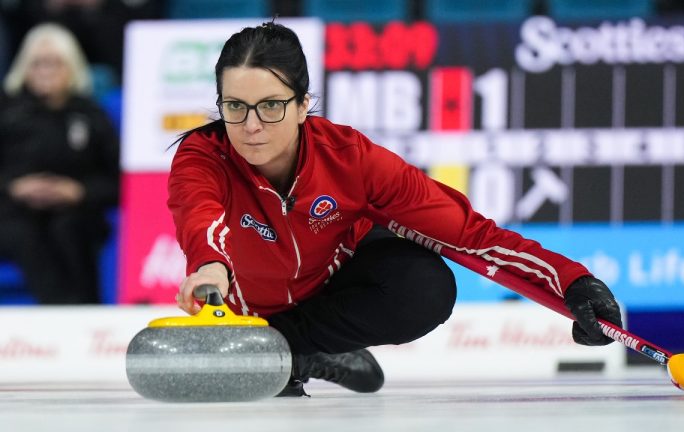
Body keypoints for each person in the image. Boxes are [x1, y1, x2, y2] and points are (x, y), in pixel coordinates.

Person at [169, 22, 623, 397]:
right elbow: (201, 220)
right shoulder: (202, 156)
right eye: (235, 106)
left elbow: (469, 235)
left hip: (318, 301)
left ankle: (296, 351)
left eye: (271, 106)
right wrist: (209, 268)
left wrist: (573, 282)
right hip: (240, 320)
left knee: (424, 286)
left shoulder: (352, 159)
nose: (250, 126)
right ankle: (288, 354)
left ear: (304, 104)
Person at [0, 23, 119, 304]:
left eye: (55, 63)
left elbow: (116, 180)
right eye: (38, 63)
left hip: (77, 210)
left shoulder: (91, 115)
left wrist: (79, 191)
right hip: (11, 211)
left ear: (72, 67)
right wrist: (14, 187)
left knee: (68, 228)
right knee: (23, 233)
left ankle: (85, 313)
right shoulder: (6, 112)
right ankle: (59, 318)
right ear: (23, 68)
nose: (46, 71)